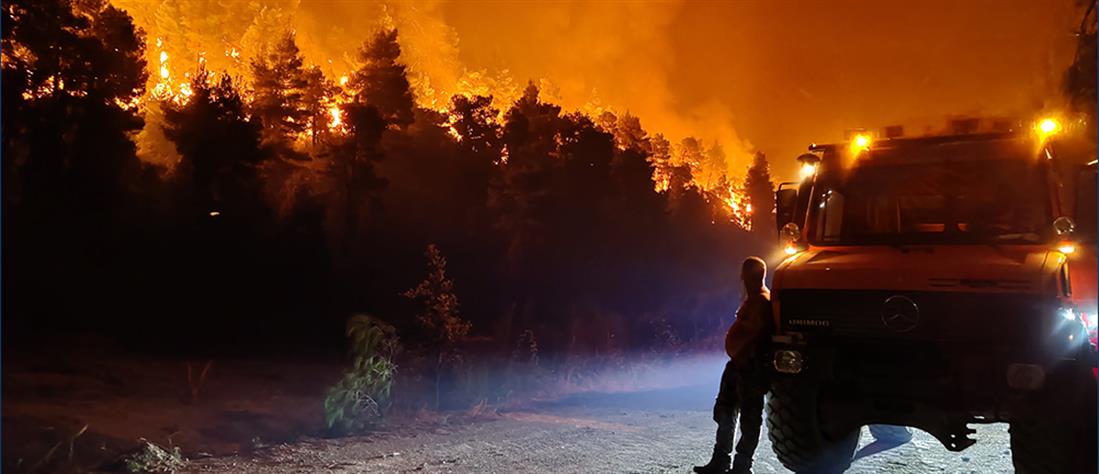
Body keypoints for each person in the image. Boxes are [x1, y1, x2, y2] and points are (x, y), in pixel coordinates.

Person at [695, 256, 774, 474]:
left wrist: (749, 361)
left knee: (749, 417)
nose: (742, 279)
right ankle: (721, 460)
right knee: (725, 410)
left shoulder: (762, 302)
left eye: (744, 274)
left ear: (750, 276)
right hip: (739, 365)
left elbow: (761, 337)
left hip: (750, 367)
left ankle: (741, 466)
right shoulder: (754, 299)